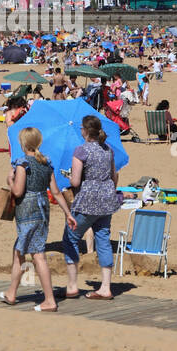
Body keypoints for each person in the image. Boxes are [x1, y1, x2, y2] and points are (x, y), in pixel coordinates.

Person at [0, 126, 74, 311]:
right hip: (42, 209)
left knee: (37, 255)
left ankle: (49, 300)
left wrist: (10, 180)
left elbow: (18, 191)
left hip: (28, 209)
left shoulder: (22, 163)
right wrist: (68, 213)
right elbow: (56, 192)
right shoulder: (46, 163)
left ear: (23, 143)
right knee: (19, 250)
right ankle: (11, 292)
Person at [62, 114, 124, 301]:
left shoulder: (81, 151)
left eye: (82, 127)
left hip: (88, 200)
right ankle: (105, 287)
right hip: (106, 199)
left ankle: (72, 285)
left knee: (70, 238)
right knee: (103, 239)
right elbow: (115, 176)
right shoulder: (108, 150)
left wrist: (67, 177)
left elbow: (75, 181)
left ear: (86, 131)